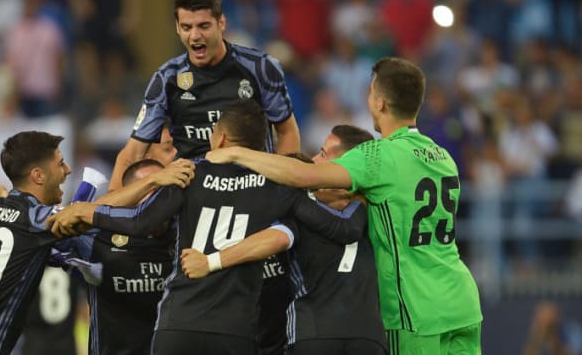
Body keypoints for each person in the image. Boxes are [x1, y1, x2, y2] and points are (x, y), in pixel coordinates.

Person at [206, 57, 483, 355]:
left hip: (417, 309)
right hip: (463, 300)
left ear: (379, 103)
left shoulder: (377, 156)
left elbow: (305, 175)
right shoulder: (442, 156)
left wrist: (237, 154)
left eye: (370, 92)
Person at [48, 100, 366, 355]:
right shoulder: (279, 185)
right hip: (235, 330)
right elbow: (338, 228)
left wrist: (87, 212)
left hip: (178, 324)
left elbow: (140, 220)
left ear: (221, 138)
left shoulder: (189, 172)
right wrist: (357, 199)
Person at [0, 131, 194, 355]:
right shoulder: (35, 219)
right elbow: (85, 212)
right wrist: (155, 180)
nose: (68, 170)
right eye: (60, 163)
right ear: (38, 175)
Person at [182, 125, 387, 355]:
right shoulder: (379, 210)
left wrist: (210, 262)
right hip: (369, 336)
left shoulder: (299, 210)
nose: (313, 160)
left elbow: (273, 240)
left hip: (313, 333)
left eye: (322, 153)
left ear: (348, 166)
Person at [108, 0, 300, 191]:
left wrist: (282, 191)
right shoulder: (167, 78)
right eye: (186, 27)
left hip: (252, 190)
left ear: (222, 24)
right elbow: (133, 152)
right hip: (193, 192)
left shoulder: (261, 68)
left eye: (203, 26)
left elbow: (287, 131)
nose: (195, 35)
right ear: (177, 29)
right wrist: (109, 206)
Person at [67, 159, 174, 355]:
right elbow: (62, 227)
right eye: (150, 189)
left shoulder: (185, 234)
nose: (158, 201)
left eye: (164, 191)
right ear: (129, 196)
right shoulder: (99, 238)